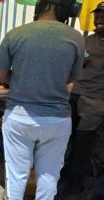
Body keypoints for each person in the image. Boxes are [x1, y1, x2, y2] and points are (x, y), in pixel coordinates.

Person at [0, 0, 85, 199]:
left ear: (40, 7)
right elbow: (71, 76)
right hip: (57, 119)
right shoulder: (76, 37)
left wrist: (21, 78)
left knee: (17, 176)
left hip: (19, 117)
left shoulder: (16, 33)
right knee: (49, 176)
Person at [57, 2, 104, 199]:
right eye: (97, 16)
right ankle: (61, 180)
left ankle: (72, 189)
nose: (98, 19)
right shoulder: (86, 39)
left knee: (83, 146)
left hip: (95, 103)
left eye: (103, 16)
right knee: (66, 141)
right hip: (75, 95)